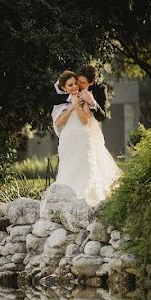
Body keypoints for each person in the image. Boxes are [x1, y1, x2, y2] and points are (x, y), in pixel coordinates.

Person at [43, 70, 120, 208]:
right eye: (71, 84)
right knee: (67, 168)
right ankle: (64, 202)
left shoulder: (87, 96)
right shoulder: (63, 100)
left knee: (85, 168)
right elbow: (58, 123)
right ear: (64, 88)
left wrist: (78, 104)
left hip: (83, 138)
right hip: (68, 140)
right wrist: (71, 105)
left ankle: (86, 202)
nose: (76, 86)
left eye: (78, 83)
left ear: (90, 82)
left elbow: (85, 120)